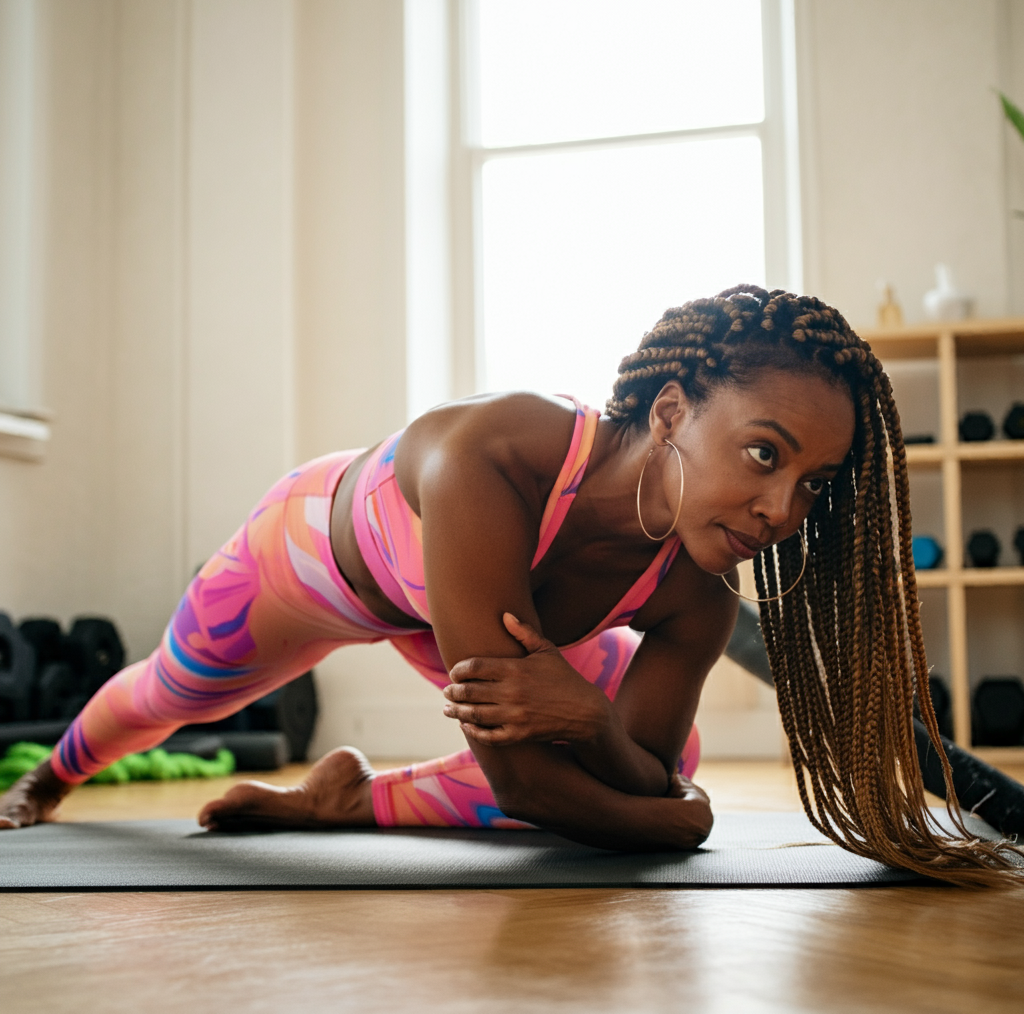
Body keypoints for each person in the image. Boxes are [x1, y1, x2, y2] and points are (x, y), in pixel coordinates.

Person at [0, 286, 1016, 884]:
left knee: (649, 736)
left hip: (466, 615)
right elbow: (551, 786)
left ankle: (349, 799)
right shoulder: (503, 452)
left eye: (810, 486)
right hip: (309, 561)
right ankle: (47, 777)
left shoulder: (692, 599)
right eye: (762, 454)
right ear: (670, 410)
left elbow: (645, 771)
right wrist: (682, 813)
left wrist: (597, 726)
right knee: (166, 695)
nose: (780, 509)